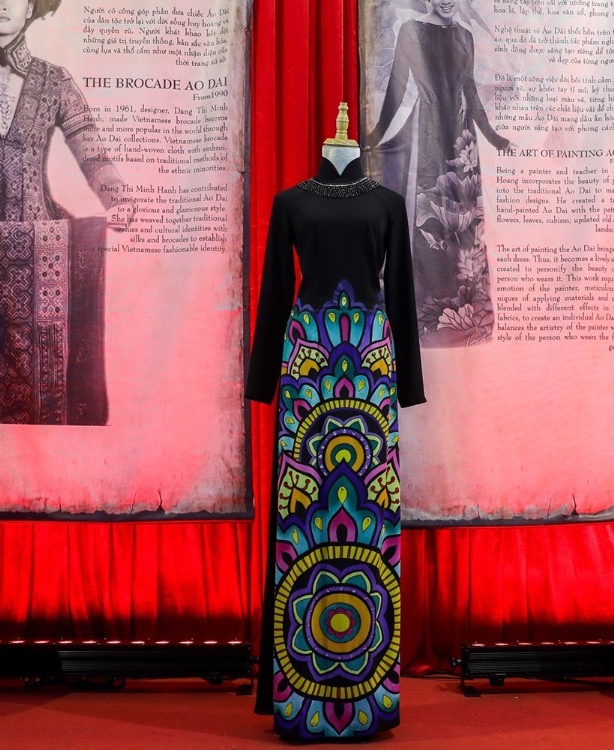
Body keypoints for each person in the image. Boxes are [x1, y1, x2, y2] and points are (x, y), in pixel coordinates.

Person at [246, 106, 426, 739]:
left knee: (370, 518)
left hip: (371, 367)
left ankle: (369, 695)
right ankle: (301, 696)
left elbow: (401, 289)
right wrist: (262, 378)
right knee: (302, 518)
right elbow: (273, 289)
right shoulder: (289, 202)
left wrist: (410, 383)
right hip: (308, 363)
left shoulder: (388, 202)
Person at [0, 0, 131, 425]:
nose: (0, 5)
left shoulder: (54, 80)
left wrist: (118, 198)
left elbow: (90, 146)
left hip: (43, 242)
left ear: (31, 6)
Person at [366, 0, 510, 347]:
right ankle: (426, 313)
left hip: (462, 141)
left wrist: (492, 136)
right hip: (429, 137)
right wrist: (373, 136)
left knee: (465, 227)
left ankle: (463, 315)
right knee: (431, 222)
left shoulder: (464, 34)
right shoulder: (411, 30)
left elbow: (470, 91)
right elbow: (397, 92)